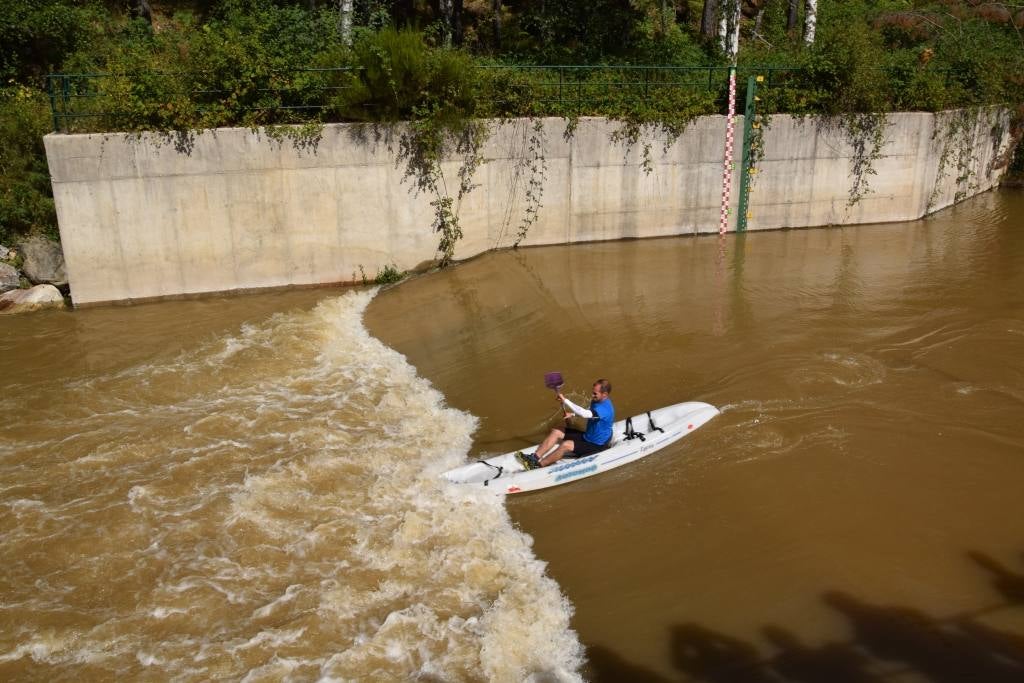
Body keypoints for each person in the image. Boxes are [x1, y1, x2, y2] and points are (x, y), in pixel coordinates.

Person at [517, 379, 615, 469]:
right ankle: (534, 457)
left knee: (566, 445)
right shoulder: (597, 400)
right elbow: (591, 413)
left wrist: (565, 400)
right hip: (587, 436)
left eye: (595, 393)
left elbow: (586, 414)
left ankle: (538, 466)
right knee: (556, 431)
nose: (592, 395)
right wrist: (572, 414)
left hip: (597, 444)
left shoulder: (605, 409)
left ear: (605, 394)